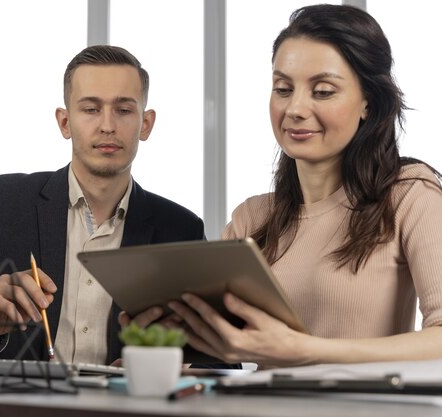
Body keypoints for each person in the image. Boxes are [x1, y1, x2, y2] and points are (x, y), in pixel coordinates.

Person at [168, 4, 442, 368]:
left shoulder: (409, 195)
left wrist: (308, 350)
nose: (295, 108)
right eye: (283, 88)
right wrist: (164, 344)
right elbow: (220, 349)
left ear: (368, 102)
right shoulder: (253, 217)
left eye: (323, 91)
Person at [0, 45, 205, 365]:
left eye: (123, 110)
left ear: (146, 124)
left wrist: (163, 369)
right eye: (90, 109)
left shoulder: (181, 229)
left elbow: (221, 362)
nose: (107, 125)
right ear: (64, 122)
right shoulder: (2, 202)